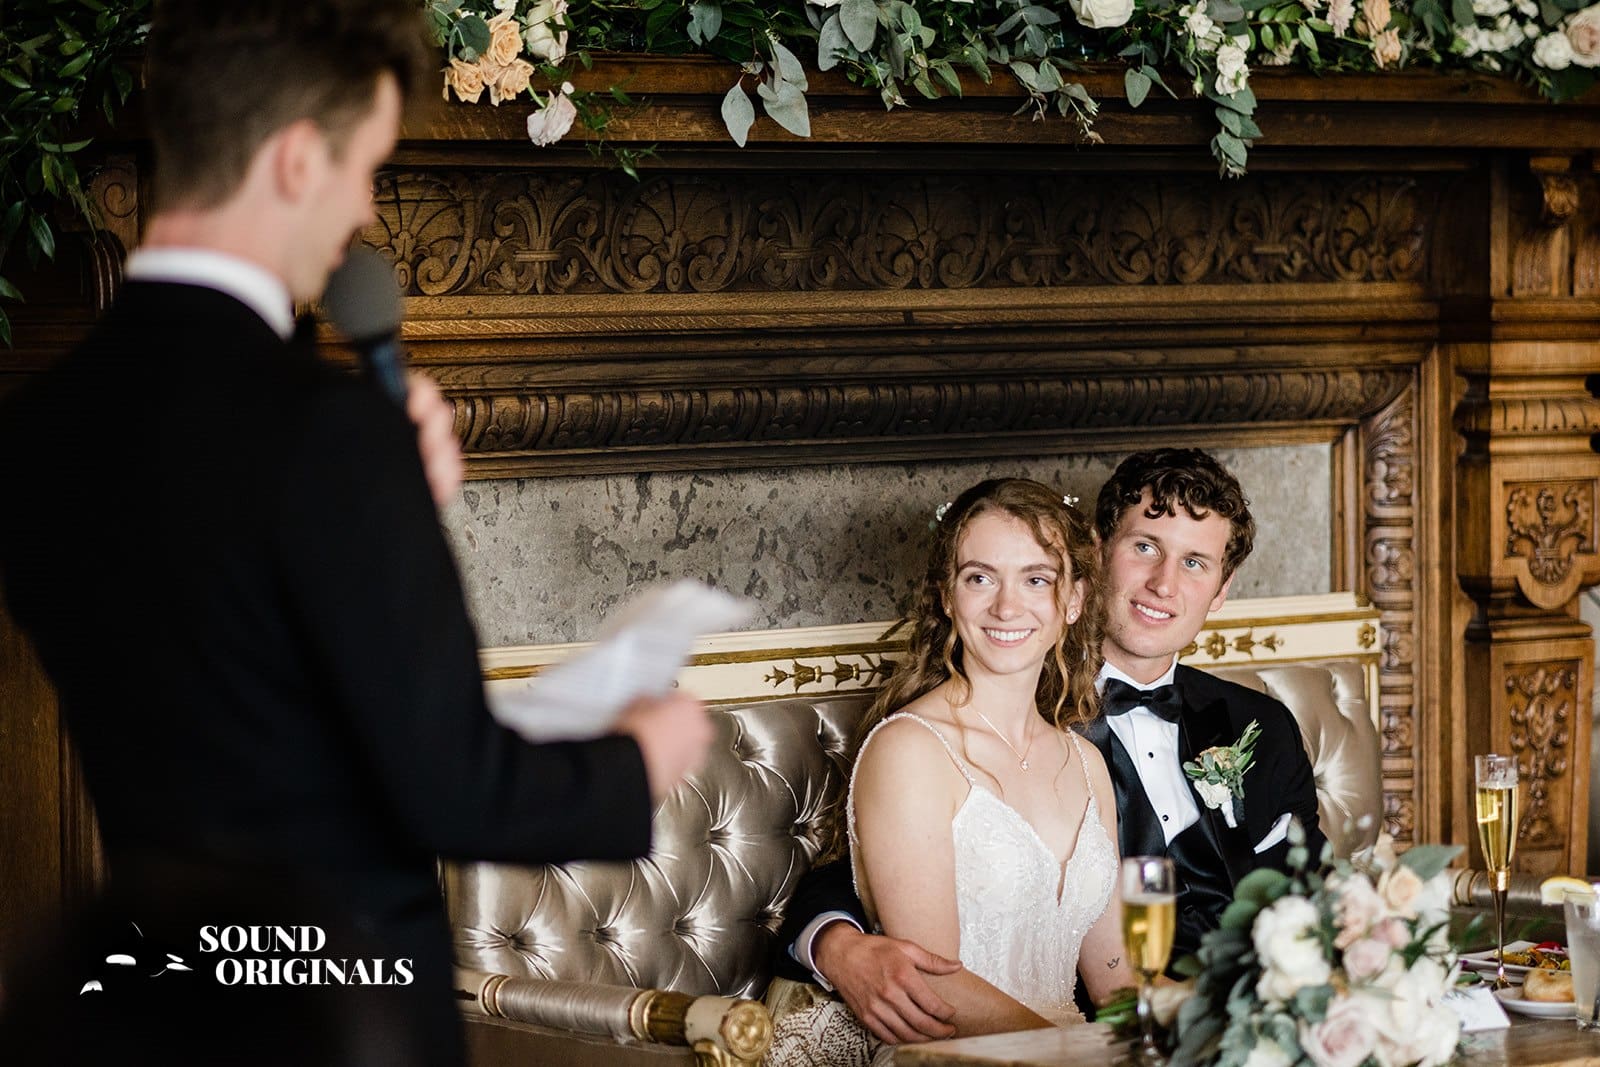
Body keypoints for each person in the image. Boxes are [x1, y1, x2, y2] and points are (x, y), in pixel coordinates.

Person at [0, 2, 711, 1064]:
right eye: (364, 169)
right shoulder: (329, 432)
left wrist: (371, 501)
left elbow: (234, 672)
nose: (366, 210)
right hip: (345, 1012)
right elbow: (455, 790)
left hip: (165, 1002)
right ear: (296, 160)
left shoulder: (35, 432)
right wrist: (637, 758)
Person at [775, 449, 1325, 1046]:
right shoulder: (932, 737)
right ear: (1097, 557)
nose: (1164, 584)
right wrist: (833, 941)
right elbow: (871, 890)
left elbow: (1133, 978)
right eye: (1145, 547)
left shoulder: (1249, 727)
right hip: (1007, 1046)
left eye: (1194, 562)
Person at [765, 480, 1135, 1065]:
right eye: (980, 578)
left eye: (1036, 579)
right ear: (946, 596)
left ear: (1073, 600)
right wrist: (1078, 1055)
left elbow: (1116, 982)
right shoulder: (911, 750)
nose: (1006, 607)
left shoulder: (1086, 764)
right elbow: (934, 989)